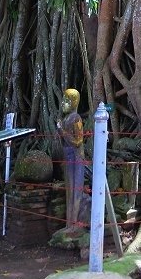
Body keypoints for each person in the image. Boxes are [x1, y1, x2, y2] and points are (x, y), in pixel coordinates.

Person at [56, 88, 85, 230]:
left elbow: (78, 141)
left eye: (67, 101)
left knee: (75, 189)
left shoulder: (76, 118)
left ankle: (74, 223)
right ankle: (69, 223)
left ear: (74, 103)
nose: (63, 103)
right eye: (63, 100)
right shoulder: (66, 118)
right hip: (68, 157)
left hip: (76, 158)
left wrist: (62, 131)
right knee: (69, 189)